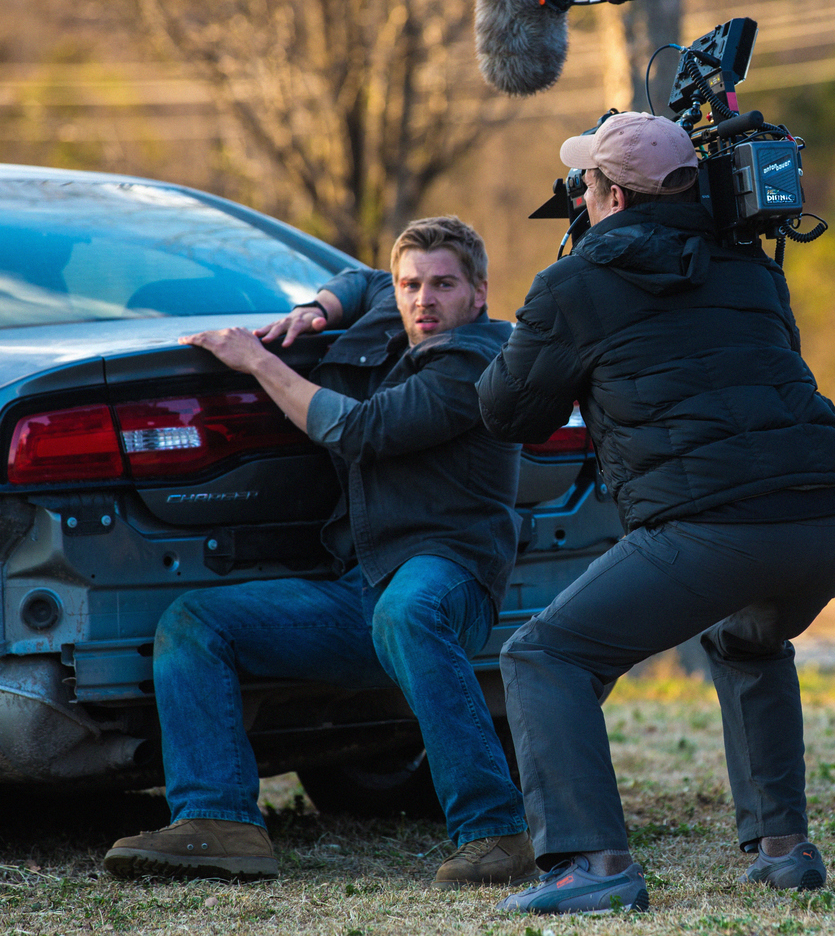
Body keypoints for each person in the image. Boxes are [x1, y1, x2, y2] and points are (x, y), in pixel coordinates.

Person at [477, 111, 835, 915]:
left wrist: (545, 308)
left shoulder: (575, 285)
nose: (580, 196)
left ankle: (592, 864)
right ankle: (784, 848)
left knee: (545, 656)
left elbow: (506, 412)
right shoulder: (752, 268)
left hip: (714, 525)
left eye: (586, 184)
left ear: (611, 197)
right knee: (747, 637)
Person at [103, 216, 536, 890]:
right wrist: (316, 310)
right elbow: (361, 282)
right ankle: (219, 820)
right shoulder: (399, 312)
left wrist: (258, 359)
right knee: (195, 621)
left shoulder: (477, 362)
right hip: (365, 589)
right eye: (413, 285)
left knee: (410, 614)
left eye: (443, 285)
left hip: (448, 573)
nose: (424, 299)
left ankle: (494, 833)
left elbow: (362, 430)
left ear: (478, 292)